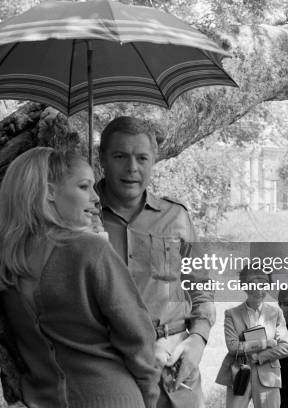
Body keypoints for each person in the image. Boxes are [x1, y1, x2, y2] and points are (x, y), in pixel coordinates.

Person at [0, 147, 160, 408]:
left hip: (43, 399)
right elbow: (137, 336)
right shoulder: (91, 249)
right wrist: (150, 394)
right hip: (111, 397)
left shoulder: (3, 260)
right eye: (84, 186)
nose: (96, 197)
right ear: (50, 192)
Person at [95, 116, 215, 408]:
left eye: (142, 157)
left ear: (154, 161)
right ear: (101, 159)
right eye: (120, 156)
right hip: (108, 365)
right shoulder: (83, 216)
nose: (132, 168)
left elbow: (201, 289)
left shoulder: (175, 217)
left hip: (175, 363)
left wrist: (197, 340)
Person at [215, 267, 288, 408]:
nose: (259, 290)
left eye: (263, 285)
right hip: (239, 375)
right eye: (254, 285)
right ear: (244, 286)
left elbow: (286, 348)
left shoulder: (276, 313)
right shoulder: (232, 314)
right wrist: (266, 343)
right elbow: (233, 347)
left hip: (268, 375)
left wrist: (259, 357)